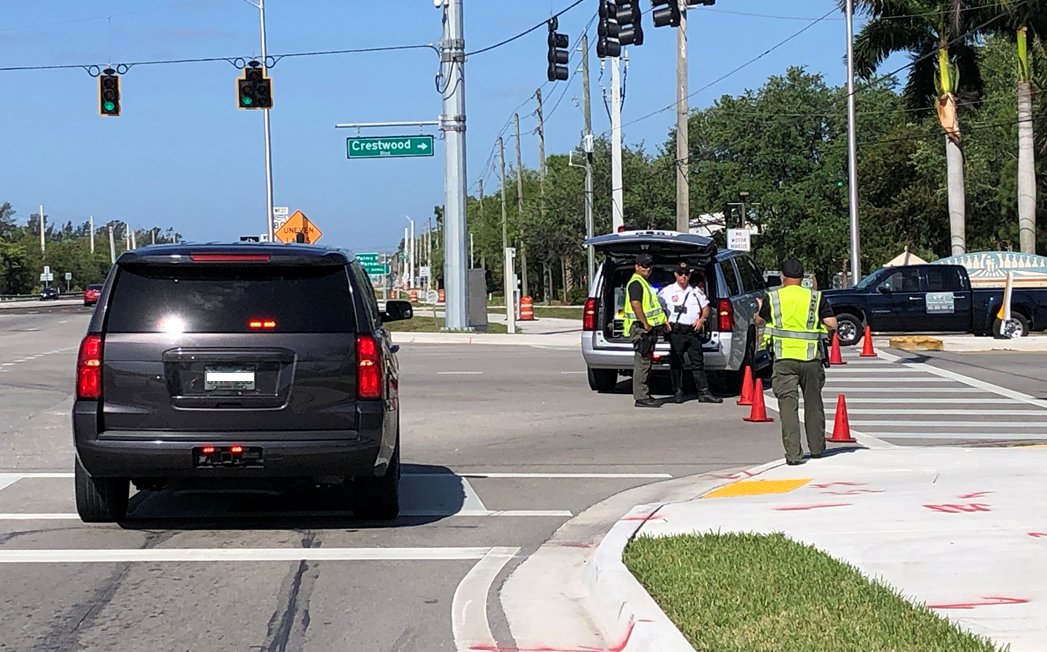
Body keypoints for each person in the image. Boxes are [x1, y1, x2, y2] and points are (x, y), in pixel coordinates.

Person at [755, 258, 838, 466]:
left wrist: (759, 310)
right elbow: (832, 324)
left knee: (788, 407)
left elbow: (759, 321)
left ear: (783, 277)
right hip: (811, 359)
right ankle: (817, 448)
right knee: (814, 404)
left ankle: (793, 454)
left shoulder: (773, 297)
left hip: (784, 360)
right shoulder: (815, 298)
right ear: (803, 279)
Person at [658, 262, 722, 404]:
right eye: (681, 274)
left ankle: (703, 392)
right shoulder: (667, 291)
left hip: (692, 331)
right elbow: (657, 307)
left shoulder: (696, 291)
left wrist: (702, 320)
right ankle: (678, 392)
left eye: (686, 274)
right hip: (676, 330)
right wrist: (663, 321)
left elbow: (706, 307)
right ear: (675, 274)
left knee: (697, 362)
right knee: (676, 362)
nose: (684, 277)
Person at [624, 253, 669, 408]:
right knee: (642, 362)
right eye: (643, 266)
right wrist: (645, 325)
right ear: (636, 266)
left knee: (646, 361)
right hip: (640, 328)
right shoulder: (636, 283)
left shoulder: (643, 283)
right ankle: (641, 397)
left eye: (649, 266)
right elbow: (636, 304)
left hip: (645, 328)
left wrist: (662, 322)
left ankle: (644, 394)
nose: (647, 269)